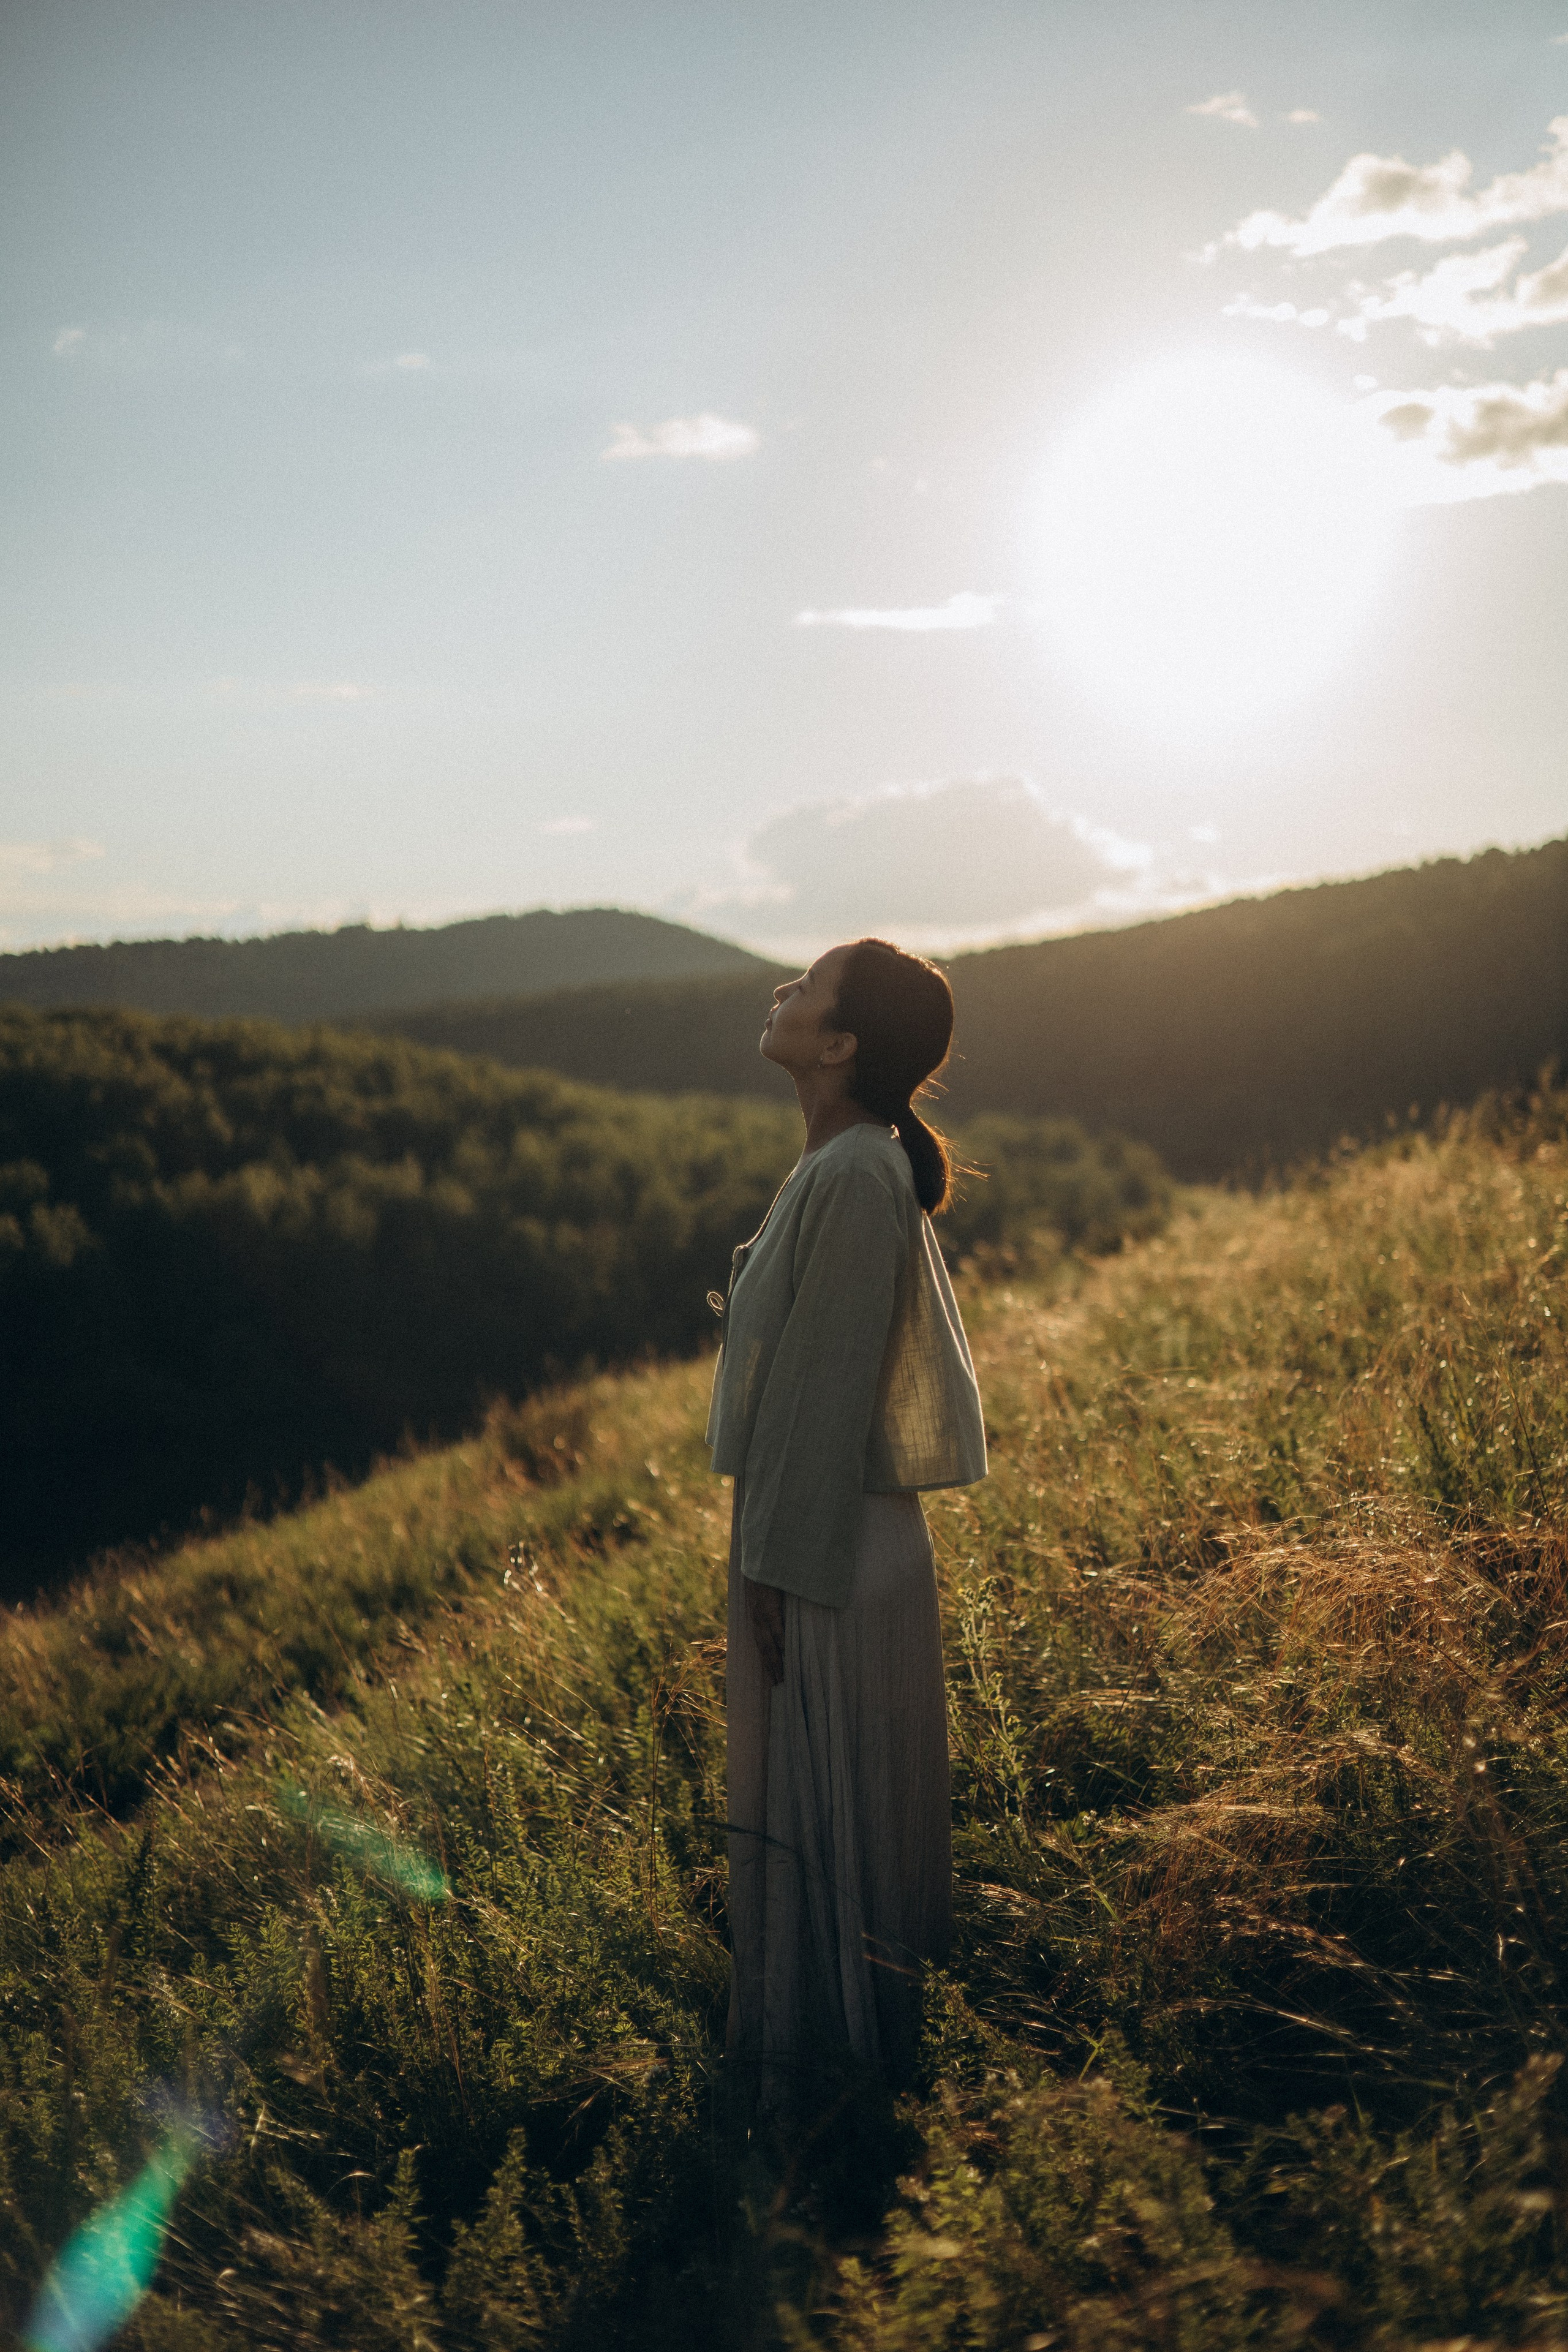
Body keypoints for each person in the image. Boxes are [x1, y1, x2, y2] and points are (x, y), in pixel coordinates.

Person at [707, 937, 987, 2115]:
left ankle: (832, 2093)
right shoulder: (846, 1167)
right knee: (819, 1813)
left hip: (828, 1552)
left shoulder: (858, 1175)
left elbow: (824, 1397)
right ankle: (833, 2072)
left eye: (806, 987)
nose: (782, 990)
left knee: (825, 1812)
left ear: (841, 1044)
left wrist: (772, 1573)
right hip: (820, 1539)